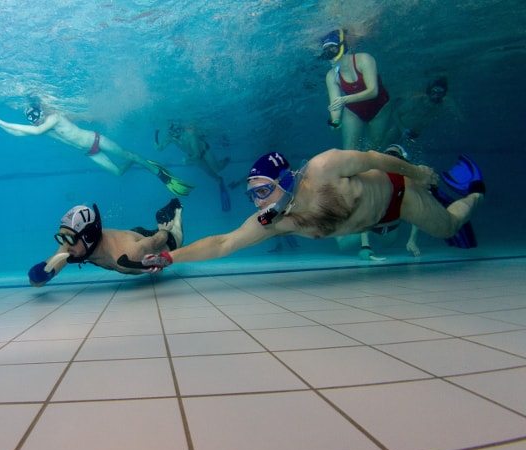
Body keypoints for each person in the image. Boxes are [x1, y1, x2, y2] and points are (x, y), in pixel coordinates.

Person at [127, 150, 484, 272]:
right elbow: (224, 243)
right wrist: (170, 257)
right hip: (373, 223)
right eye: (253, 196)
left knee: (449, 227)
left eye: (263, 192)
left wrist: (416, 172)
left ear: (286, 180)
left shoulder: (324, 167)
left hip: (398, 197)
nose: (259, 204)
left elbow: (374, 158)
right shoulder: (276, 222)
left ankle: (476, 192)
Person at [0, 100, 195, 196]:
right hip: (89, 152)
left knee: (128, 154)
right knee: (118, 172)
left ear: (41, 112)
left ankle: (156, 171)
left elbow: (34, 131)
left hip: (96, 140)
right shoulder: (42, 127)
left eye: (36, 116)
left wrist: (2, 121)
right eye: (31, 119)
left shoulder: (53, 118)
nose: (35, 121)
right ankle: (137, 161)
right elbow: (19, 133)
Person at [28, 199, 183, 287]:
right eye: (62, 238)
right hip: (131, 237)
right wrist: (39, 275)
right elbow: (41, 278)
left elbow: (156, 241)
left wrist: (164, 230)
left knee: (176, 236)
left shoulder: (128, 253)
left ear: (89, 236)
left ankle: (175, 211)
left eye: (69, 239)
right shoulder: (73, 244)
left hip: (160, 242)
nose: (65, 245)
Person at [322, 28, 392, 151]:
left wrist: (345, 99)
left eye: (332, 49)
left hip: (380, 108)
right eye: (326, 51)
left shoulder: (364, 59)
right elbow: (335, 104)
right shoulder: (331, 75)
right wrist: (335, 121)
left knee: (373, 149)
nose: (330, 54)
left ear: (342, 47)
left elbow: (373, 91)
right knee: (349, 151)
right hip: (354, 111)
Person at [155, 122, 232, 210]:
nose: (175, 134)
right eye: (172, 131)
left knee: (218, 168)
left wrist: (187, 159)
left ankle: (226, 161)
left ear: (181, 129)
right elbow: (161, 147)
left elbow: (197, 154)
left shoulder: (190, 135)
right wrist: (158, 147)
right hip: (193, 157)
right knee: (209, 172)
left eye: (177, 130)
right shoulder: (170, 136)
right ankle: (219, 180)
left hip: (204, 151)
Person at [383, 76, 450, 148]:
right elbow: (396, 113)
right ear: (430, 91)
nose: (436, 96)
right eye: (434, 92)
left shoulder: (442, 106)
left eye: (440, 93)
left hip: (416, 136)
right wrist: (402, 129)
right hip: (398, 130)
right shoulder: (416, 101)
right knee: (385, 147)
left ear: (443, 94)